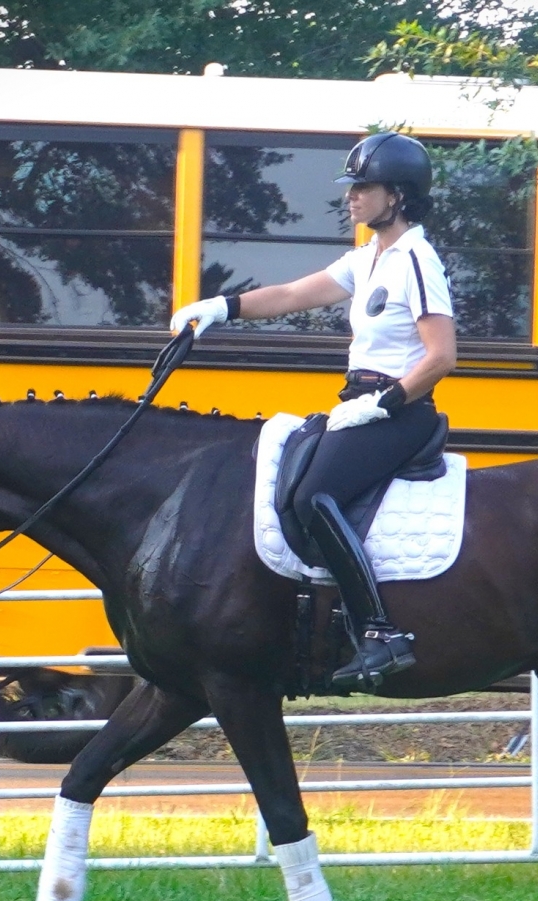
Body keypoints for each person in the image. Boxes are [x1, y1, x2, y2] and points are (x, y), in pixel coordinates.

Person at [170, 131, 456, 690]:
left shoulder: (416, 260)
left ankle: (380, 633)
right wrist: (223, 307)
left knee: (312, 496)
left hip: (401, 411)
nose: (351, 196)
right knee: (289, 480)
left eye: (363, 187)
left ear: (397, 195)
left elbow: (441, 355)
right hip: (360, 404)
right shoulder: (369, 258)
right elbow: (292, 294)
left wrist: (385, 403)